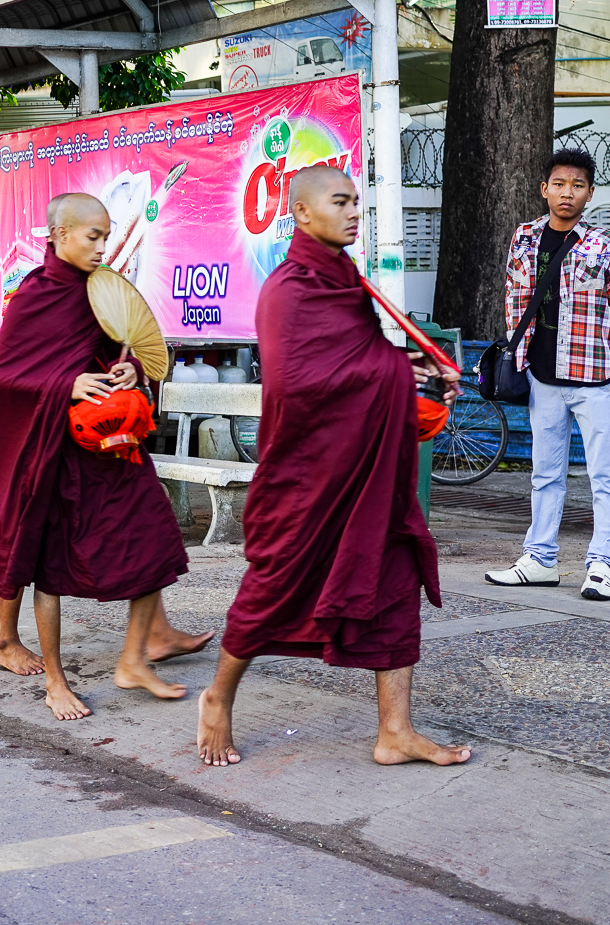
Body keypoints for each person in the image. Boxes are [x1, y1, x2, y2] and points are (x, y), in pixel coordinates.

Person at [195, 165, 468, 768]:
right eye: (340, 202)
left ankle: (395, 730)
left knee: (394, 579)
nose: (353, 214)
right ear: (301, 212)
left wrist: (416, 374)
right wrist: (397, 375)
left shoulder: (344, 278)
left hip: (367, 471)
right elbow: (299, 384)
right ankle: (218, 695)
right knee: (272, 589)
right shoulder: (290, 289)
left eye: (357, 205)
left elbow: (362, 357)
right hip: (306, 476)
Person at [0, 193, 210, 719]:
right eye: (93, 237)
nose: (103, 248)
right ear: (60, 235)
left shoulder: (99, 290)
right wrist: (65, 382)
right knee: (52, 566)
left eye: (107, 236)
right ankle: (56, 682)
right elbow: (1, 377)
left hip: (109, 443)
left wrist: (129, 372)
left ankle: (139, 652)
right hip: (53, 452)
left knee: (153, 530)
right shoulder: (35, 296)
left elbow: (109, 352)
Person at [485, 149, 610, 602]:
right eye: (559, 184)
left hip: (595, 378)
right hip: (542, 378)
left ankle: (602, 567)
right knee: (545, 474)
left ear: (589, 193)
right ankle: (539, 559)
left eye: (577, 186)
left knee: (604, 476)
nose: (567, 193)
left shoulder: (604, 245)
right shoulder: (523, 238)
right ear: (544, 188)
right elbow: (511, 296)